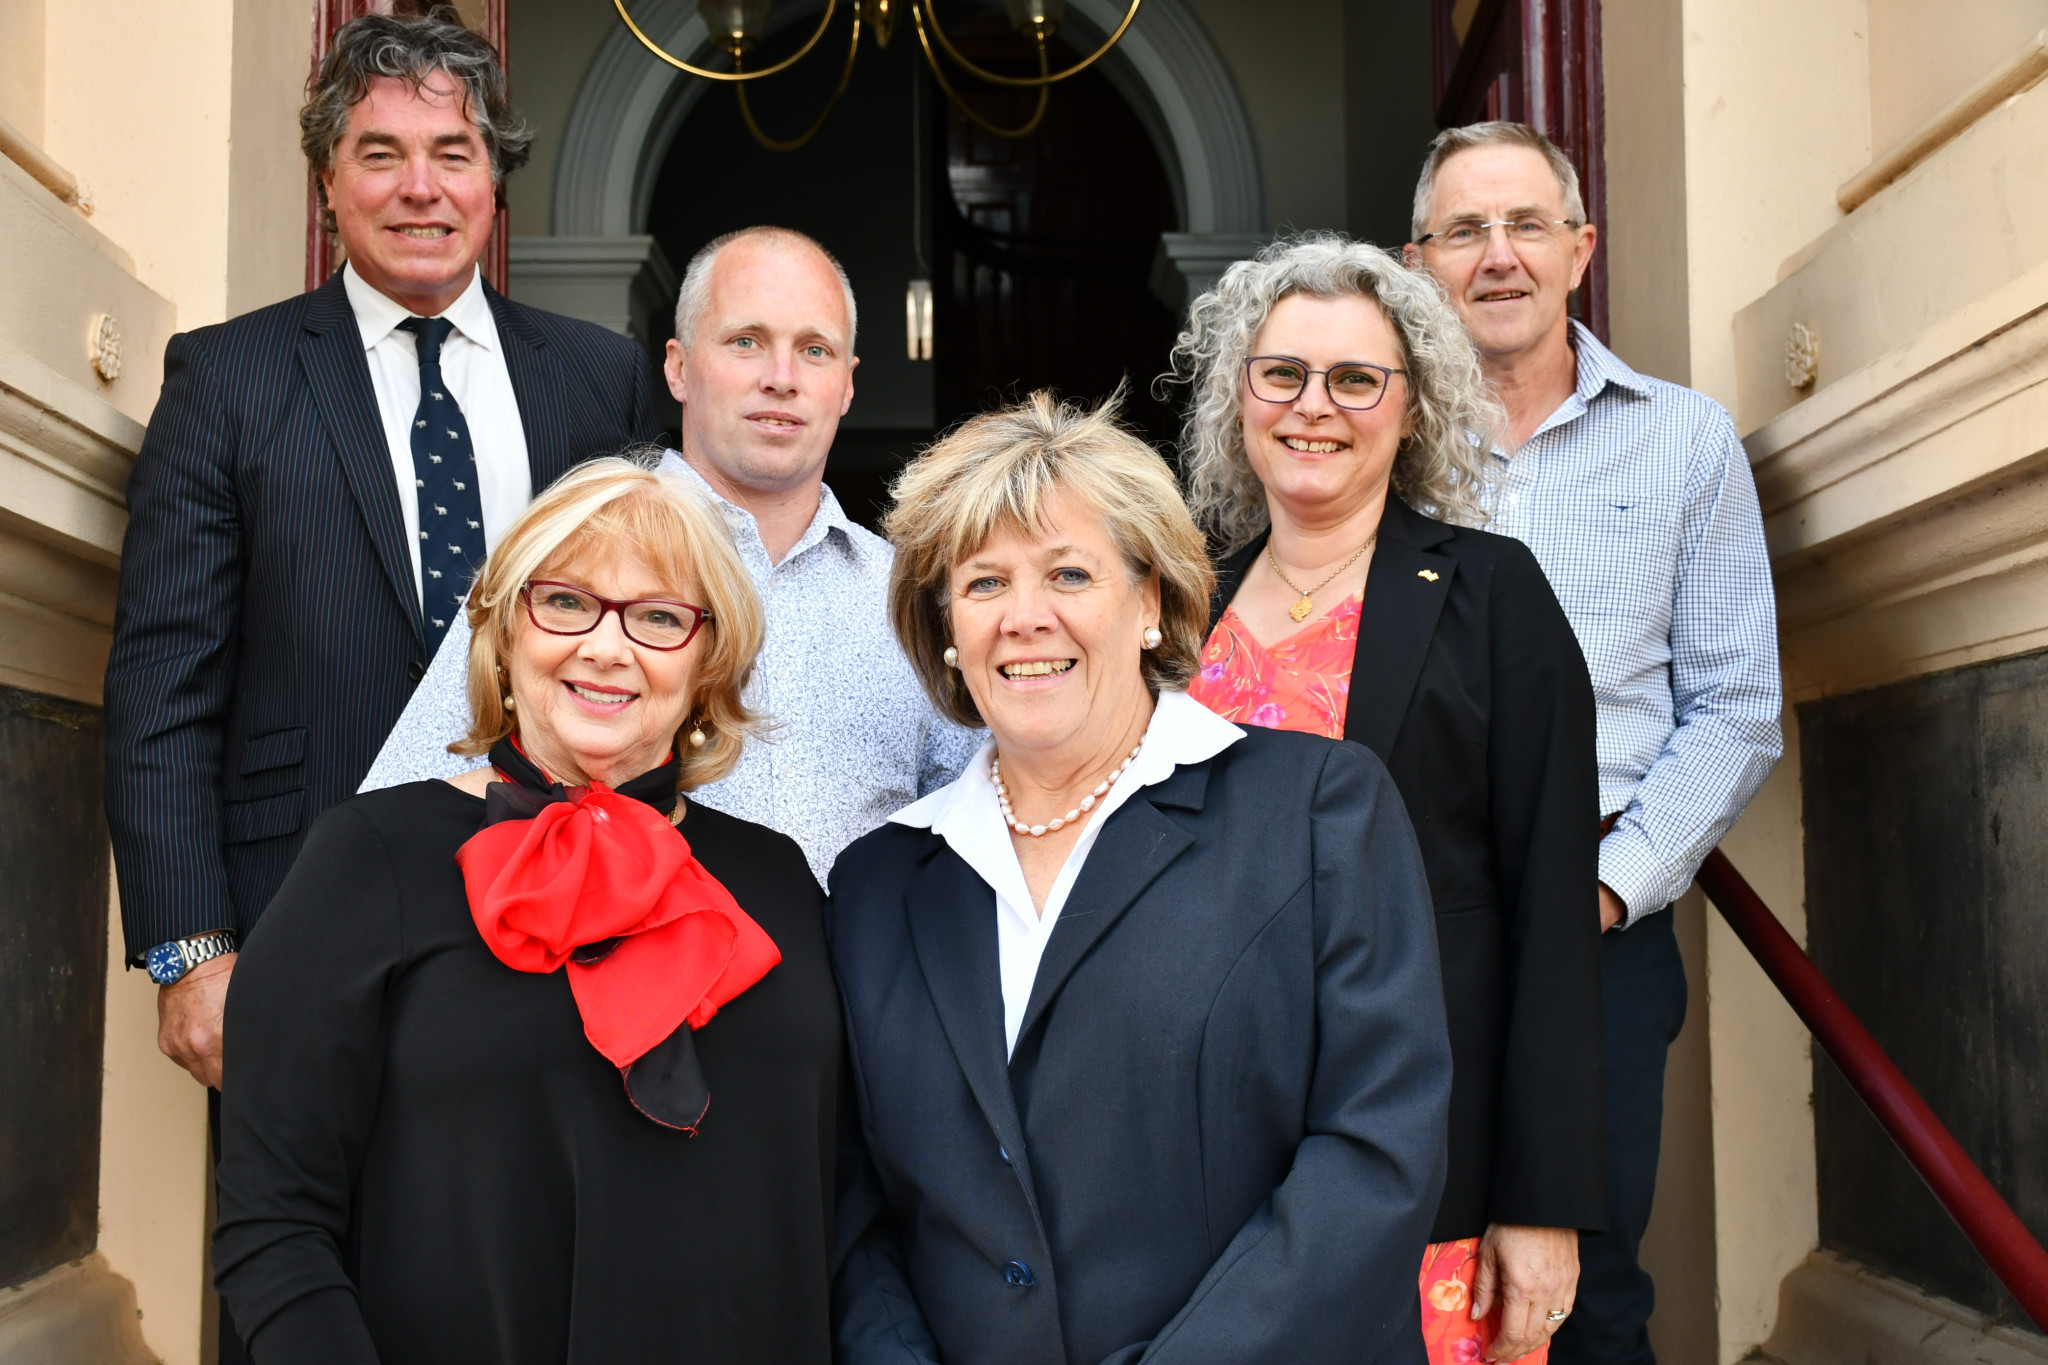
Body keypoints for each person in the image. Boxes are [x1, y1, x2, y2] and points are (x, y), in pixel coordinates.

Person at [103, 12, 664, 1099]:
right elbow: (160, 685)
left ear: (493, 180)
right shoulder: (227, 381)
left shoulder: (605, 383)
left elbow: (652, 651)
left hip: (568, 928)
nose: (422, 187)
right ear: (326, 180)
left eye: (453, 153)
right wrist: (189, 952)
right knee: (307, 1262)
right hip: (299, 923)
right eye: (380, 153)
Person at [829, 392, 1453, 1365]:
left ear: (1149, 600)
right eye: (983, 584)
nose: (1024, 619)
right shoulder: (876, 885)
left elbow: (1375, 1150)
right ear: (943, 623)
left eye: (1067, 573)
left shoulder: (1317, 813)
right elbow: (856, 1210)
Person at [212, 457, 841, 1364]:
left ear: (709, 661)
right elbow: (273, 1222)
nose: (607, 646)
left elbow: (849, 1188)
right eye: (566, 602)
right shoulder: (367, 857)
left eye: (660, 617)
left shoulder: (780, 881)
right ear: (505, 631)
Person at [1171, 233, 1606, 1365]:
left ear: (1408, 407)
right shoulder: (1175, 609)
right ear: (1238, 397)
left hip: (1421, 1154)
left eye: (1355, 379)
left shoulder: (1491, 598)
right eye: (1282, 374)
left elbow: (1550, 915)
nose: (1314, 406)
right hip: (1198, 1153)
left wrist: (1539, 1198)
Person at [1405, 122, 1783, 1365]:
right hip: (1398, 928)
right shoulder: (1369, 450)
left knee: (1587, 1280)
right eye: (1463, 230)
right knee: (1401, 1256)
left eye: (1524, 225)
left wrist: (1610, 888)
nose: (1496, 257)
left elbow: (1733, 702)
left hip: (1599, 936)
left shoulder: (1683, 441)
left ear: (1580, 248)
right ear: (1418, 263)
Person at [363, 225, 979, 879]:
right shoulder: (563, 561)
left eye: (814, 350)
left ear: (848, 384)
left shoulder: (908, 595)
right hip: (597, 973)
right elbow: (401, 810)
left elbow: (984, 827)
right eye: (747, 341)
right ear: (678, 367)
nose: (781, 378)